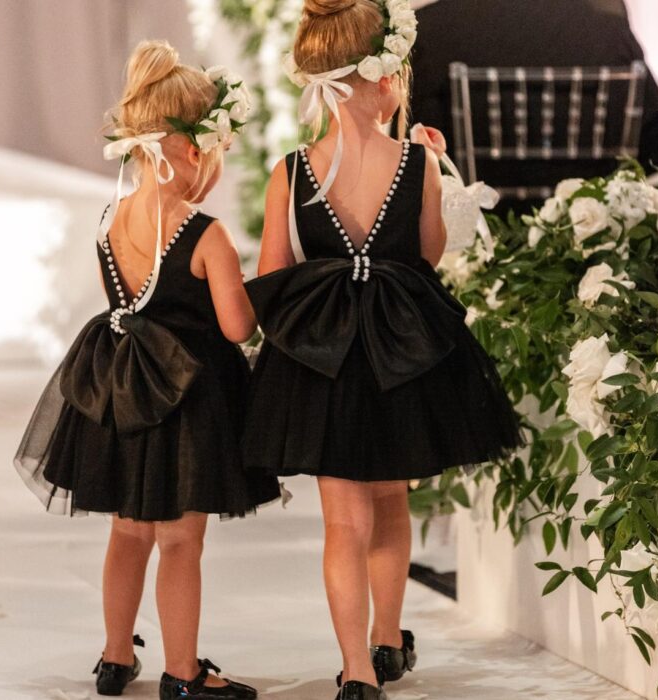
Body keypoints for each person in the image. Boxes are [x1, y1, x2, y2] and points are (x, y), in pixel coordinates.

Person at [241, 2, 522, 699]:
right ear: (383, 76)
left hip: (324, 356)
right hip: (403, 348)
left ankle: (358, 672)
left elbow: (273, 274)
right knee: (392, 498)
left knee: (345, 521)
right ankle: (389, 639)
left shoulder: (293, 169)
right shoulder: (417, 161)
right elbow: (427, 254)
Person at [14, 40, 280, 700]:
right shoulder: (204, 234)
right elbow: (236, 327)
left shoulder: (110, 221)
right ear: (193, 148)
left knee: (127, 534)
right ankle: (183, 673)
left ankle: (112, 657)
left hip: (121, 394)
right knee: (181, 544)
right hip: (188, 407)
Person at [411, 0, 658, 208]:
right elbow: (655, 150)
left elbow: (413, 152)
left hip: (483, 223)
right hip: (588, 223)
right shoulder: (608, 23)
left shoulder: (432, 28)